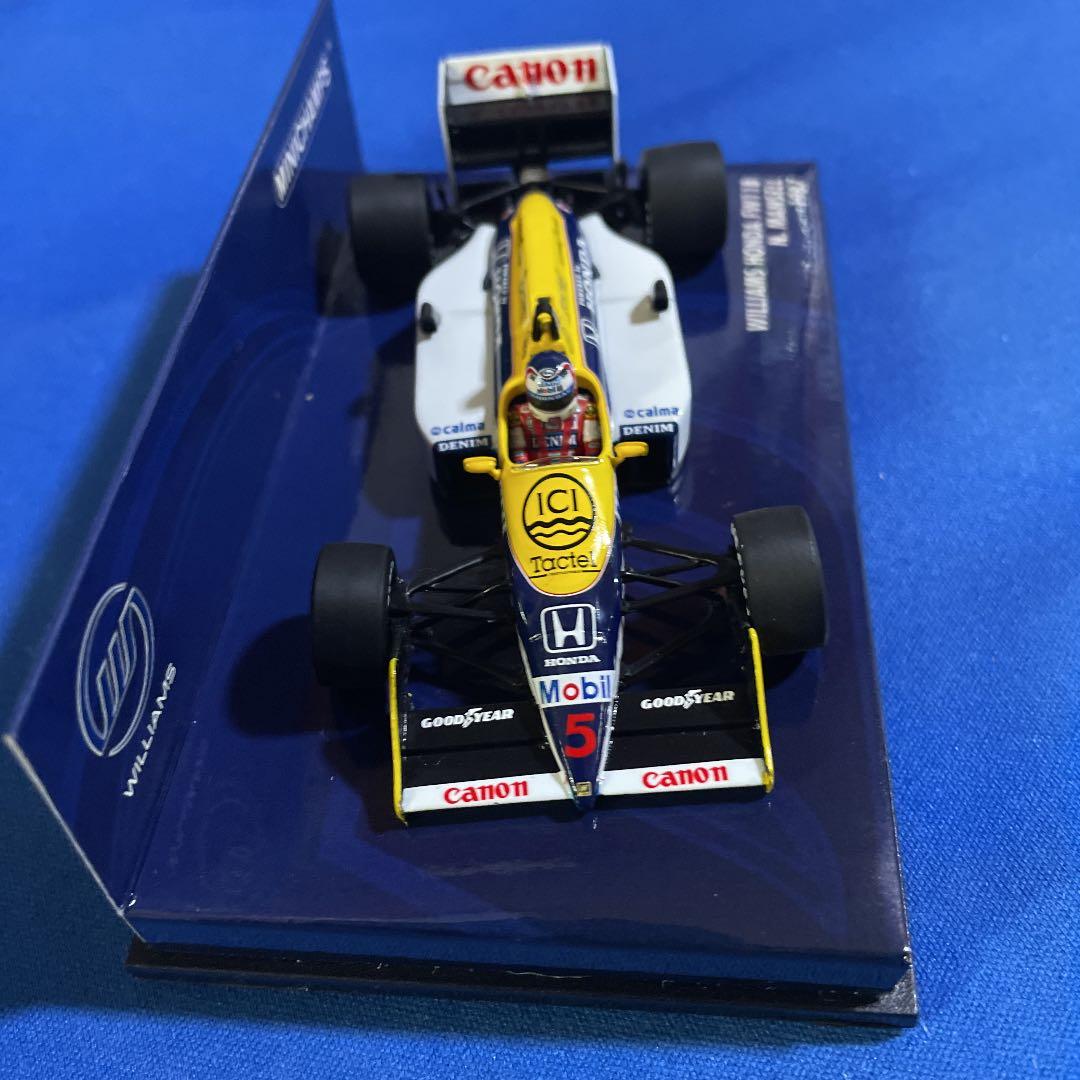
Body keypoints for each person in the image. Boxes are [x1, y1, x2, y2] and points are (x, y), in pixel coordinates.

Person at [509, 351, 601, 463]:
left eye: (558, 401)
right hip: (534, 473)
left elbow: (593, 456)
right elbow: (519, 456)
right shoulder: (519, 415)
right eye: (545, 403)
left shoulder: (587, 409)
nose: (551, 408)